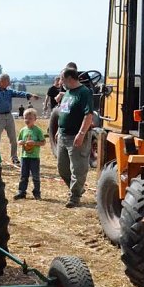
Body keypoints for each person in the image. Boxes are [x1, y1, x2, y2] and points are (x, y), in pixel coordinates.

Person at [55, 67, 94, 208]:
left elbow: (88, 115)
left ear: (70, 79)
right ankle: (77, 189)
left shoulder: (84, 92)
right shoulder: (68, 92)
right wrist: (59, 129)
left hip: (76, 136)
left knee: (78, 168)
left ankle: (75, 196)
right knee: (62, 168)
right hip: (63, 136)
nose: (60, 82)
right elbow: (64, 111)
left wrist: (81, 134)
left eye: (62, 79)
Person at [0, 73, 39, 165]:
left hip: (9, 116)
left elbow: (19, 93)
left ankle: (14, 157)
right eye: (7, 81)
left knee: (13, 138)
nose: (9, 83)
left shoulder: (9, 91)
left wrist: (29, 95)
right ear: (1, 81)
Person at [14, 108, 45, 200]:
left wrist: (34, 143)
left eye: (30, 118)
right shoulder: (23, 130)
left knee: (35, 176)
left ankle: (37, 193)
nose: (27, 120)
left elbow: (43, 142)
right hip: (24, 156)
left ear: (35, 119)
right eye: (25, 118)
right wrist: (20, 142)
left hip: (34, 157)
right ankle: (21, 192)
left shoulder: (37, 131)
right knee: (23, 176)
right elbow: (18, 140)